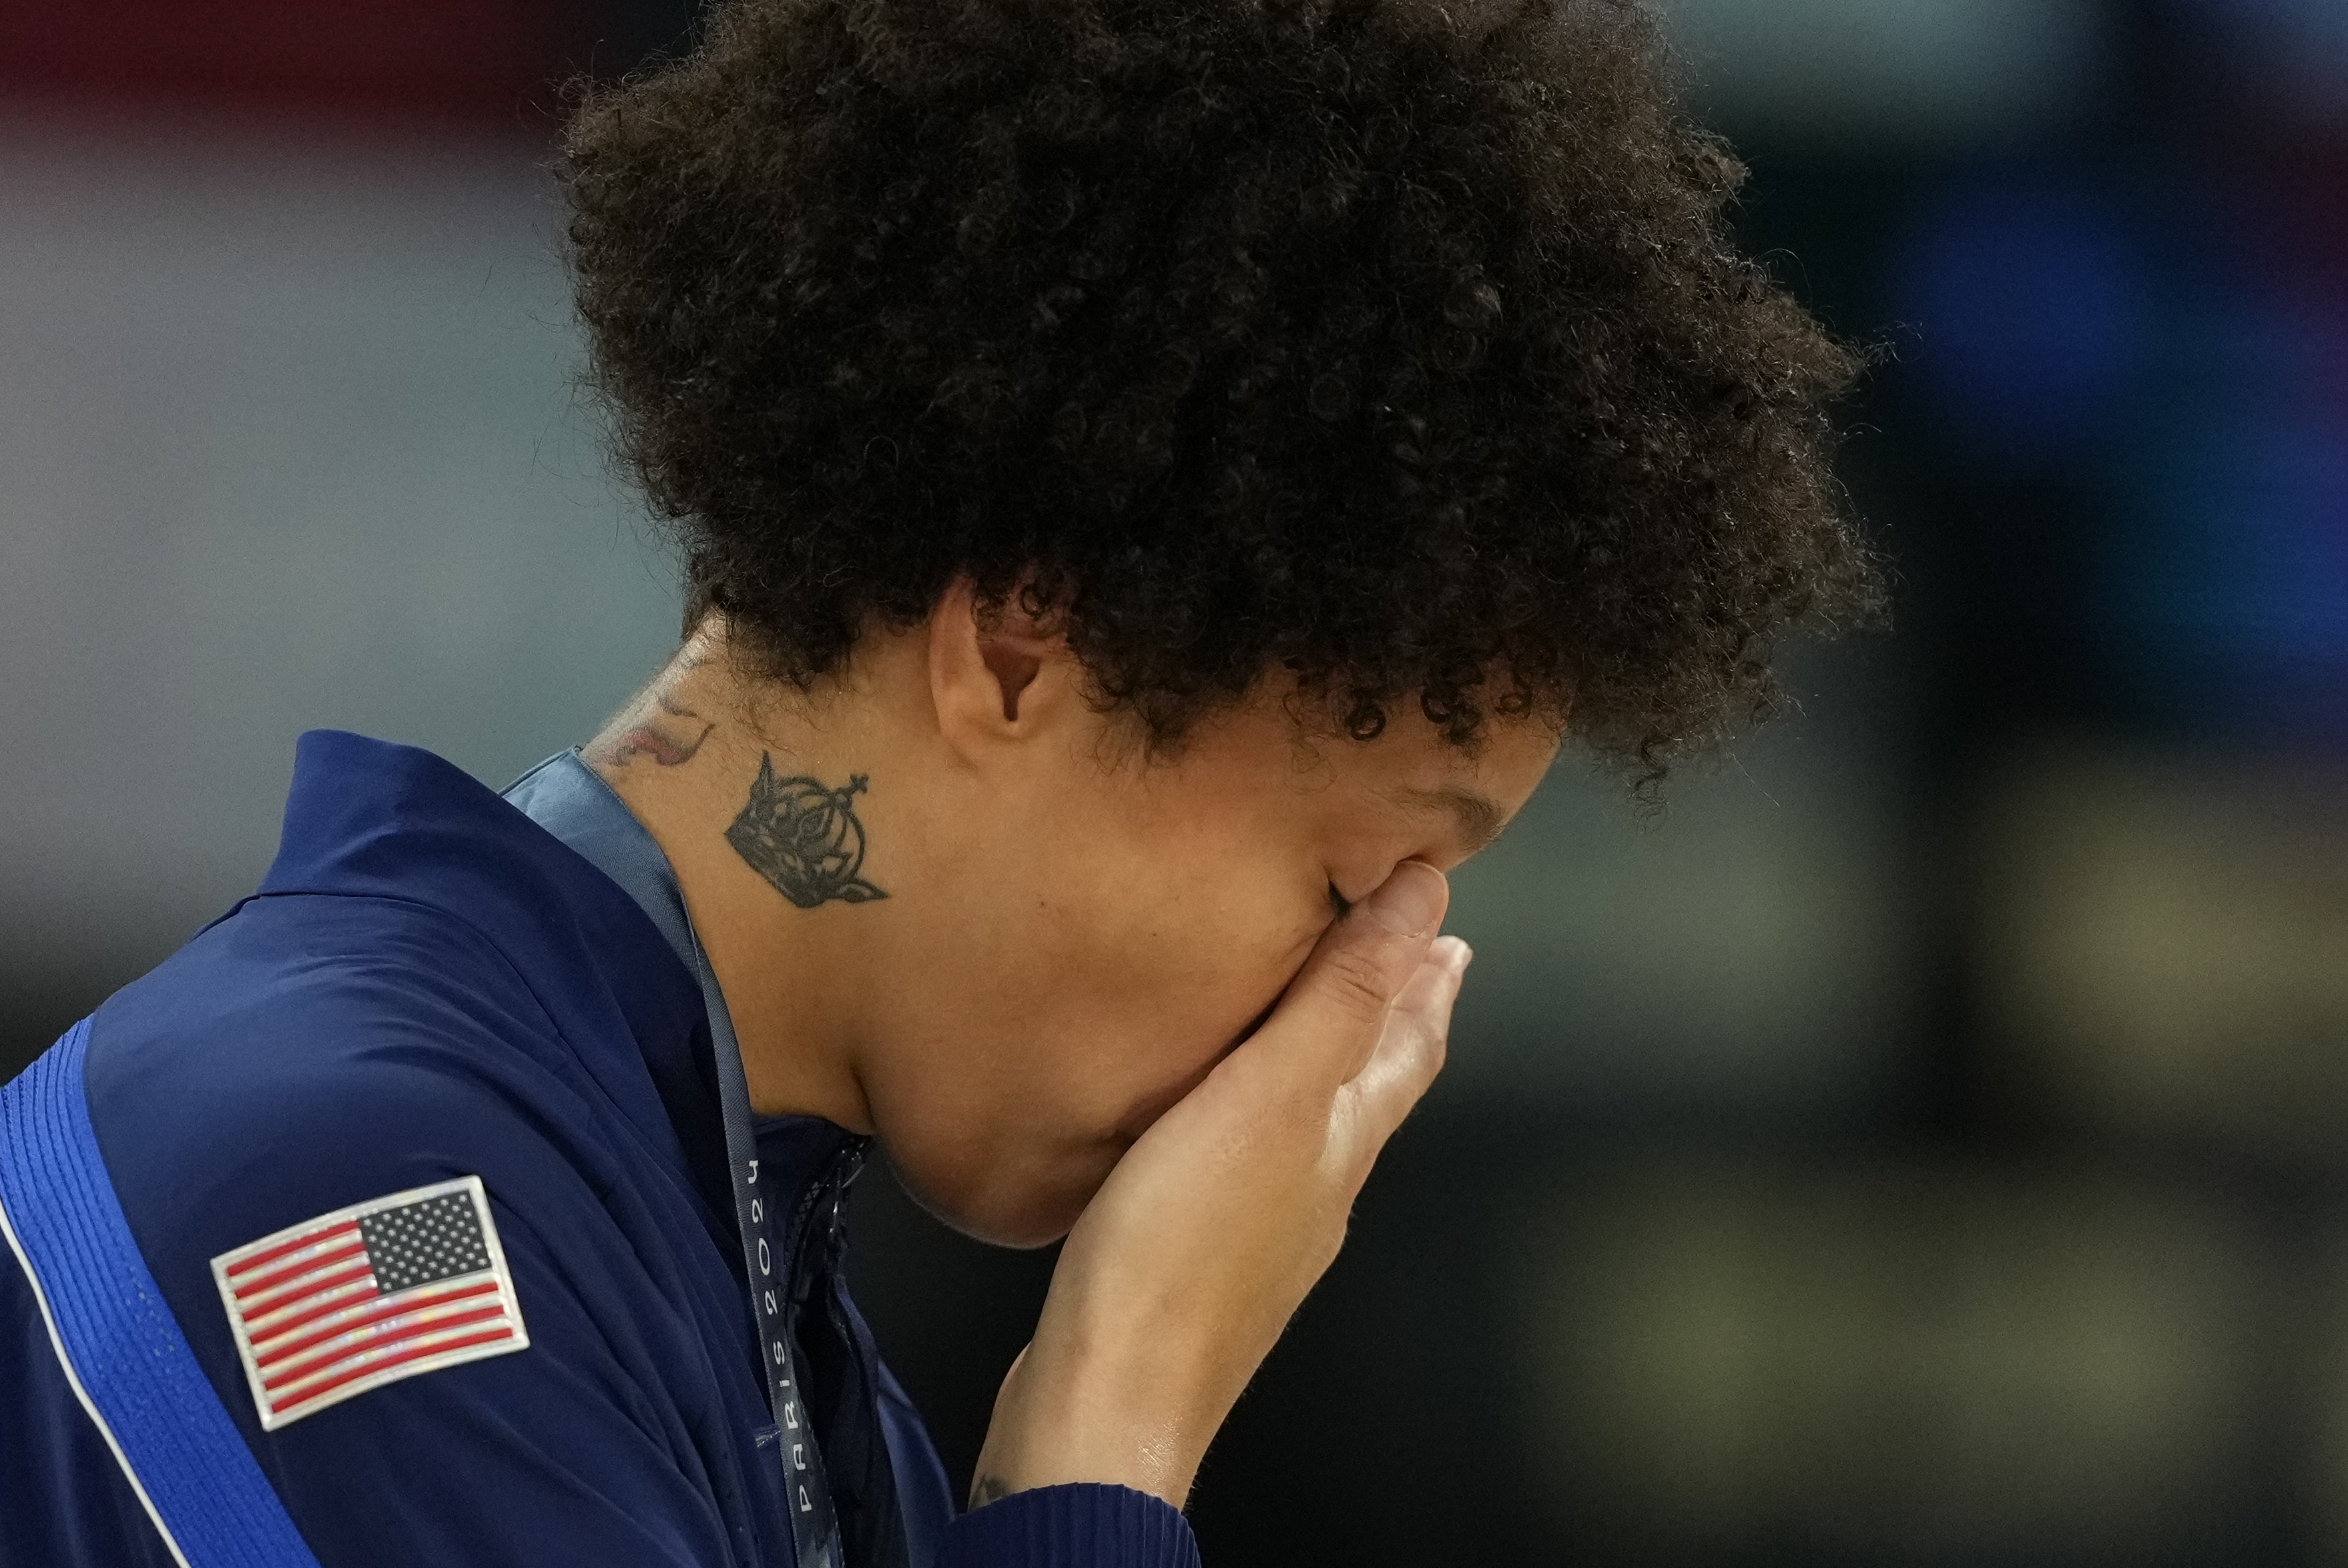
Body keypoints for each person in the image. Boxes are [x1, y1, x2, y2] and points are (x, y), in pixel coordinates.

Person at [0, 0, 1883, 1563]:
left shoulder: (744, 1331)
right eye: (1345, 887)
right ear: (1018, 643)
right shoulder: (377, 1213)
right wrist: (1113, 1432)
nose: (1361, 1018)